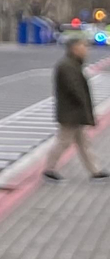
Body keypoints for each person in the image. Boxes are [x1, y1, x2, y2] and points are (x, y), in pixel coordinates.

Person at [44, 31, 104, 181]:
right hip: (71, 113)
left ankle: (95, 171)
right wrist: (87, 113)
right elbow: (75, 91)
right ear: (74, 48)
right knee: (64, 141)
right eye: (84, 46)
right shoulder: (67, 66)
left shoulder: (73, 64)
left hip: (74, 112)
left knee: (84, 143)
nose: (87, 49)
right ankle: (49, 169)